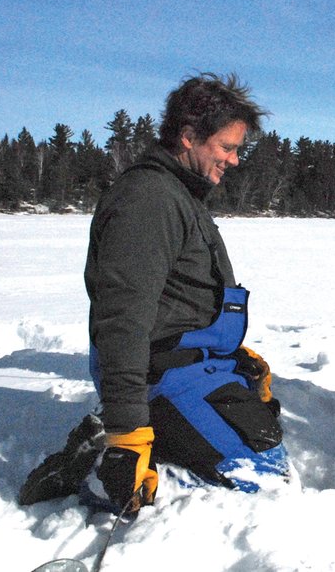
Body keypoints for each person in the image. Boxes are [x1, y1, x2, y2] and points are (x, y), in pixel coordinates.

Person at [19, 73, 286, 512]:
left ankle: (165, 433)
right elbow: (123, 321)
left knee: (264, 430)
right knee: (262, 472)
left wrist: (227, 351)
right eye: (227, 147)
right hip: (155, 371)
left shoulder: (180, 194)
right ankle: (104, 456)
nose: (235, 160)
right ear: (188, 137)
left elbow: (181, 301)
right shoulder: (148, 200)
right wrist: (128, 435)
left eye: (238, 149)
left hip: (185, 360)